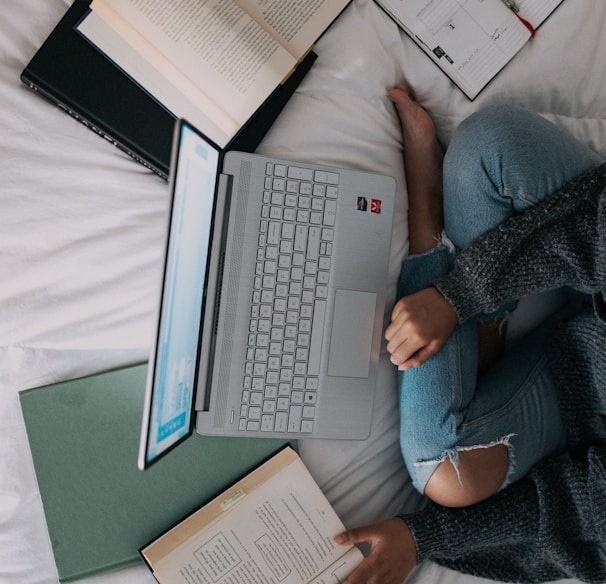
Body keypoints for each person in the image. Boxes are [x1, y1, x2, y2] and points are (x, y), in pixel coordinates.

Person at [334, 87, 606, 583]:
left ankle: (428, 222)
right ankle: (474, 318)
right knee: (490, 145)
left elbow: (586, 507)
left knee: (443, 468)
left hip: (583, 393)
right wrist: (461, 295)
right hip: (597, 262)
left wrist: (425, 537)